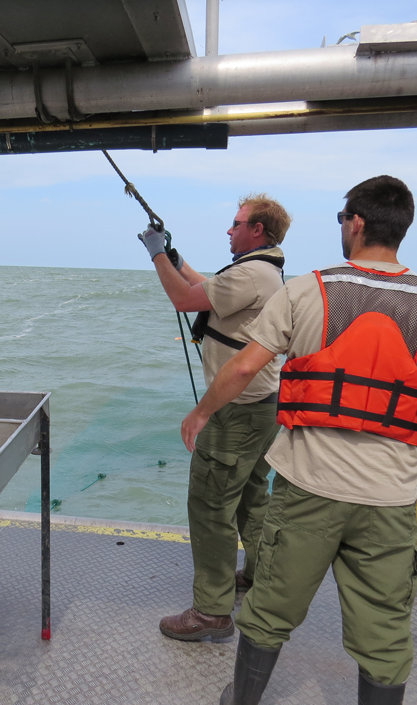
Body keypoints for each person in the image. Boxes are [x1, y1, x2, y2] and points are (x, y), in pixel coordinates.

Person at [180, 176, 417, 705]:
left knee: (271, 608)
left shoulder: (307, 288)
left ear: (357, 223)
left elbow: (245, 368)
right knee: (385, 632)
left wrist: (202, 413)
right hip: (388, 499)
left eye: (342, 219)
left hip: (307, 490)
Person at [137, 194, 291, 641]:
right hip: (264, 407)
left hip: (236, 414)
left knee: (209, 507)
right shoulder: (264, 271)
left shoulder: (250, 272)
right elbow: (208, 288)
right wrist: (177, 257)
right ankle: (257, 577)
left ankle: (211, 611)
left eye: (237, 223)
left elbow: (186, 299)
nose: (229, 229)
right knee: (251, 497)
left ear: (258, 230)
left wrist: (156, 253)